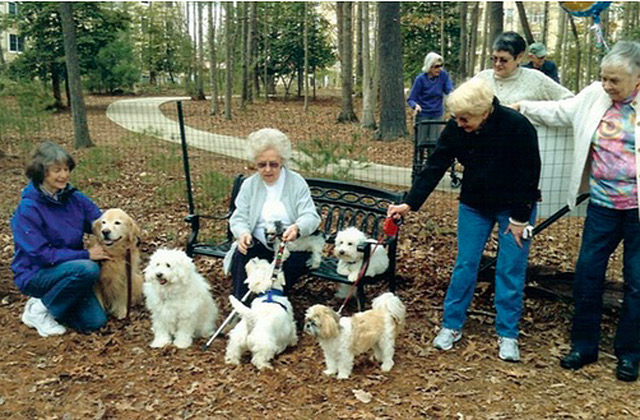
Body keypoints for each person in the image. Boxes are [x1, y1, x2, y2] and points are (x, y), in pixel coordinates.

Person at [387, 78, 541, 362]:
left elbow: (529, 174)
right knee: (465, 264)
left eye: (465, 118)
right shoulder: (456, 128)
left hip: (515, 208)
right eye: (456, 118)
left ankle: (508, 333)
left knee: (510, 269)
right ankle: (451, 325)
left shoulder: (517, 126)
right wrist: (410, 202)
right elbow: (435, 165)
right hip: (475, 204)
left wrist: (520, 218)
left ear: (485, 112)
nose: (459, 123)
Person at [513, 40, 640, 382]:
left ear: (638, 80)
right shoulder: (593, 97)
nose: (607, 86)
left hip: (638, 213)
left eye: (615, 81)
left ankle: (629, 354)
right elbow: (560, 112)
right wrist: (522, 106)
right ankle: (584, 347)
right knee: (587, 275)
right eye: (604, 77)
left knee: (637, 283)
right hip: (602, 206)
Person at [11, 142, 111, 337]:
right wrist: (86, 254)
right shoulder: (28, 209)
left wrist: (120, 230)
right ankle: (38, 310)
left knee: (94, 322)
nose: (64, 175)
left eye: (66, 169)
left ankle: (52, 302)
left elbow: (99, 222)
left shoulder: (73, 198)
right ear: (41, 172)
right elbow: (41, 255)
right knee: (88, 268)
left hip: (69, 269)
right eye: (57, 170)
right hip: (36, 274)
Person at [225, 128, 321, 299]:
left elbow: (310, 216)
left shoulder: (296, 183)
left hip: (292, 245)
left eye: (273, 164)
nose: (268, 170)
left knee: (285, 269)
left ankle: (273, 310)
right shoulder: (249, 185)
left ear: (282, 162)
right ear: (255, 164)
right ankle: (243, 310)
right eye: (262, 165)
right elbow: (239, 217)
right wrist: (243, 233)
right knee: (242, 256)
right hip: (260, 242)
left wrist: (297, 228)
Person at [474, 31, 572, 104]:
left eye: (504, 60)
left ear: (519, 57)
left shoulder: (536, 79)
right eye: (494, 59)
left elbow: (569, 101)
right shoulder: (482, 79)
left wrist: (532, 110)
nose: (497, 64)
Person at [407, 52, 454, 147]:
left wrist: (455, 97)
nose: (439, 69)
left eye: (441, 66)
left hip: (437, 113)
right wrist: (415, 105)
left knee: (435, 142)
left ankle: (432, 160)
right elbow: (411, 99)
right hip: (423, 113)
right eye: (436, 66)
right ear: (429, 67)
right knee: (421, 142)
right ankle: (420, 160)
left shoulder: (443, 76)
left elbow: (449, 90)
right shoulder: (420, 79)